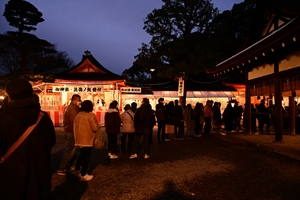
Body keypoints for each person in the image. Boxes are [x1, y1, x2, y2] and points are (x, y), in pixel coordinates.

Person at [0, 78, 56, 200]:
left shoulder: (3, 118)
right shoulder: (43, 117)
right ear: (31, 93)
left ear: (9, 95)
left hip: (10, 173)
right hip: (39, 172)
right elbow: (51, 141)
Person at [73, 100, 100, 181]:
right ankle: (83, 174)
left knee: (81, 155)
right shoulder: (91, 116)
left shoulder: (78, 115)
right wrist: (99, 126)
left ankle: (77, 170)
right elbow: (95, 127)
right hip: (87, 139)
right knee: (86, 157)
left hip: (78, 139)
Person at [57, 94, 81, 175]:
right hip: (71, 131)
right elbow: (74, 122)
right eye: (78, 101)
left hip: (68, 130)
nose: (79, 102)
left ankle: (73, 165)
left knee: (72, 149)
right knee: (70, 149)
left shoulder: (69, 107)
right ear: (75, 100)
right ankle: (61, 168)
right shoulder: (73, 109)